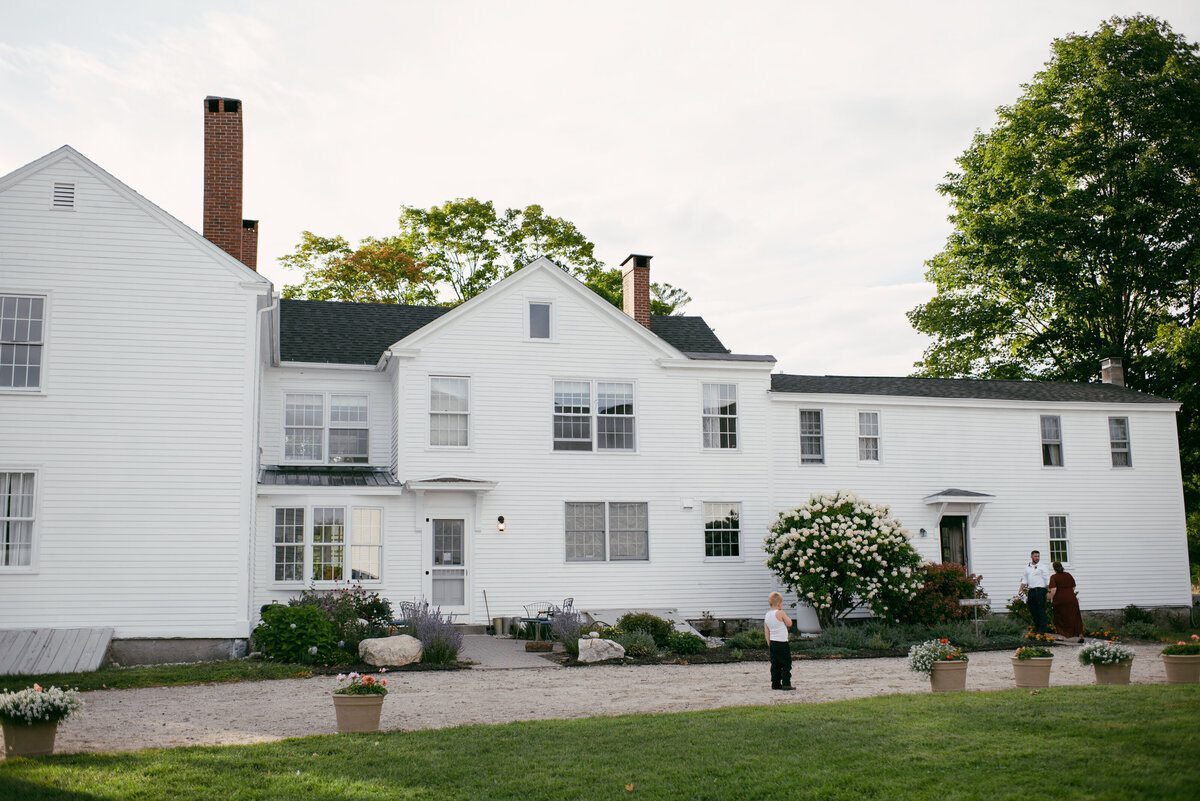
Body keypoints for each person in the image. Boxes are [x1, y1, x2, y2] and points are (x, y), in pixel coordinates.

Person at [764, 591, 795, 691]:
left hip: (773, 642)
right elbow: (789, 623)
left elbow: (766, 631)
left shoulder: (767, 615)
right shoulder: (780, 613)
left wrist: (769, 643)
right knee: (786, 663)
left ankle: (775, 683)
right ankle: (786, 683)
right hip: (782, 642)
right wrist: (785, 615)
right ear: (779, 604)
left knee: (775, 664)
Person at [1048, 560, 1084, 642]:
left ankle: (1062, 636)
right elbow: (1073, 587)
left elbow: (1053, 590)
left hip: (1060, 600)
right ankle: (1080, 635)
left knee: (1060, 618)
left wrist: (1052, 598)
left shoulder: (1054, 577)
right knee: (1075, 617)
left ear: (1054, 569)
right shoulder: (1068, 575)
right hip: (1071, 598)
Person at [1019, 550, 1052, 634]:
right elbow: (1024, 579)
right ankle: (1037, 627)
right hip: (1032, 590)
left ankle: (1042, 629)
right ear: (1031, 556)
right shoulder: (1027, 567)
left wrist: (1049, 591)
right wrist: (1021, 589)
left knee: (1041, 609)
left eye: (1038, 556)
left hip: (1040, 590)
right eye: (1035, 556)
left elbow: (1047, 579)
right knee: (1033, 609)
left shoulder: (1043, 567)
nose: (1037, 558)